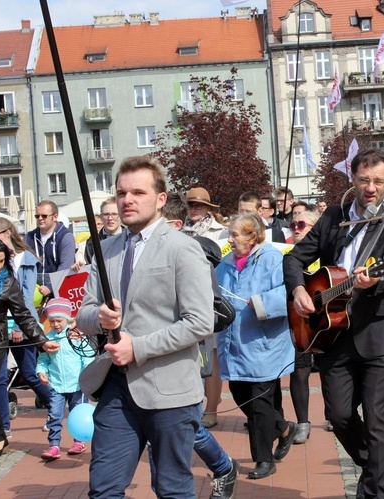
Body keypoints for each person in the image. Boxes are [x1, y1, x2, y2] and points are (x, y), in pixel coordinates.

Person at [76, 156, 215, 497]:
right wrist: (100, 318)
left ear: (161, 199)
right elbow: (84, 312)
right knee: (104, 489)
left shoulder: (183, 249)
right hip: (116, 389)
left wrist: (138, 347)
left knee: (171, 489)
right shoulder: (104, 250)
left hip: (170, 390)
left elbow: (200, 321)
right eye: (121, 192)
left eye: (138, 191)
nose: (128, 200)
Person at [284, 149, 384, 499]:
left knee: (376, 419)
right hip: (332, 333)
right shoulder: (331, 216)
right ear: (353, 179)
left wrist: (375, 281)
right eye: (364, 180)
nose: (370, 188)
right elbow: (296, 258)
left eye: (378, 181)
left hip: (378, 334)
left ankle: (375, 491)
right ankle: (374, 464)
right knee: (338, 416)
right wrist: (298, 289)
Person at [161, 192, 239, 499]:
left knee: (183, 422)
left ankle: (222, 466)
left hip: (183, 351)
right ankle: (220, 467)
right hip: (141, 356)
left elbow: (207, 312)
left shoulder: (193, 254)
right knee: (166, 426)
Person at [215, 213, 296, 480]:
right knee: (239, 393)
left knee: (258, 403)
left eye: (235, 234)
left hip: (263, 344)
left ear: (253, 236)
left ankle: (264, 459)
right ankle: (284, 429)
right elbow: (215, 296)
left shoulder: (272, 258)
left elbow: (291, 292)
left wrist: (261, 302)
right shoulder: (224, 265)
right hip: (234, 343)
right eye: (230, 233)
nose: (230, 239)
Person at [0, 237, 59, 470]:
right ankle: (0, 438)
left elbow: (24, 317)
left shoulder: (7, 282)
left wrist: (42, 342)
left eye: (1, 261)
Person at [0, 218, 53, 436]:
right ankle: (3, 428)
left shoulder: (26, 258)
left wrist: (18, 327)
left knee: (29, 373)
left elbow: (23, 296)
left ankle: (55, 407)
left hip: (19, 322)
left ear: (6, 233)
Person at [36, 298, 94, 460]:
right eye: (52, 321)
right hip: (56, 385)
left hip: (77, 384)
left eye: (59, 320)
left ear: (67, 319)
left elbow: (87, 355)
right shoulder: (47, 338)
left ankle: (79, 441)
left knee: (78, 414)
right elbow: (43, 360)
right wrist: (41, 371)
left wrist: (86, 374)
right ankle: (54, 445)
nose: (55, 324)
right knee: (54, 415)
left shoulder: (75, 336)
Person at [289, 209, 321, 445]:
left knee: (330, 371)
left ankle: (333, 415)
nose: (296, 228)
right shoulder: (282, 251)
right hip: (296, 321)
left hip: (325, 323)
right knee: (298, 373)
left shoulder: (326, 253)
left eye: (302, 224)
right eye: (293, 224)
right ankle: (302, 423)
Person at [24, 200, 76, 298]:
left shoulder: (65, 236)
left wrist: (50, 287)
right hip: (35, 292)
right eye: (37, 216)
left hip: (60, 291)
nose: (40, 219)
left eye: (44, 216)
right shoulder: (29, 237)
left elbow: (66, 266)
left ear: (55, 216)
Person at [84, 197, 123, 264]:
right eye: (106, 214)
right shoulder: (92, 242)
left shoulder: (131, 238)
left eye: (114, 214)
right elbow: (90, 266)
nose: (110, 218)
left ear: (121, 215)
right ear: (101, 217)